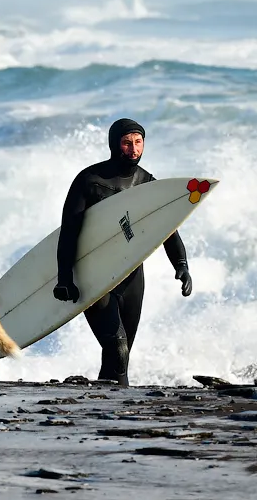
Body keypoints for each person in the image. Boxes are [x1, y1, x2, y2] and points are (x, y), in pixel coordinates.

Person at [54, 118, 193, 386]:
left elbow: (167, 229)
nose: (133, 149)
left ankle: (108, 408)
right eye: (127, 142)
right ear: (114, 144)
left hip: (131, 276)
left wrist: (181, 264)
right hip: (95, 276)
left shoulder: (147, 183)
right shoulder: (89, 181)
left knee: (122, 353)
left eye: (138, 142)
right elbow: (69, 232)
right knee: (117, 346)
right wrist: (64, 278)